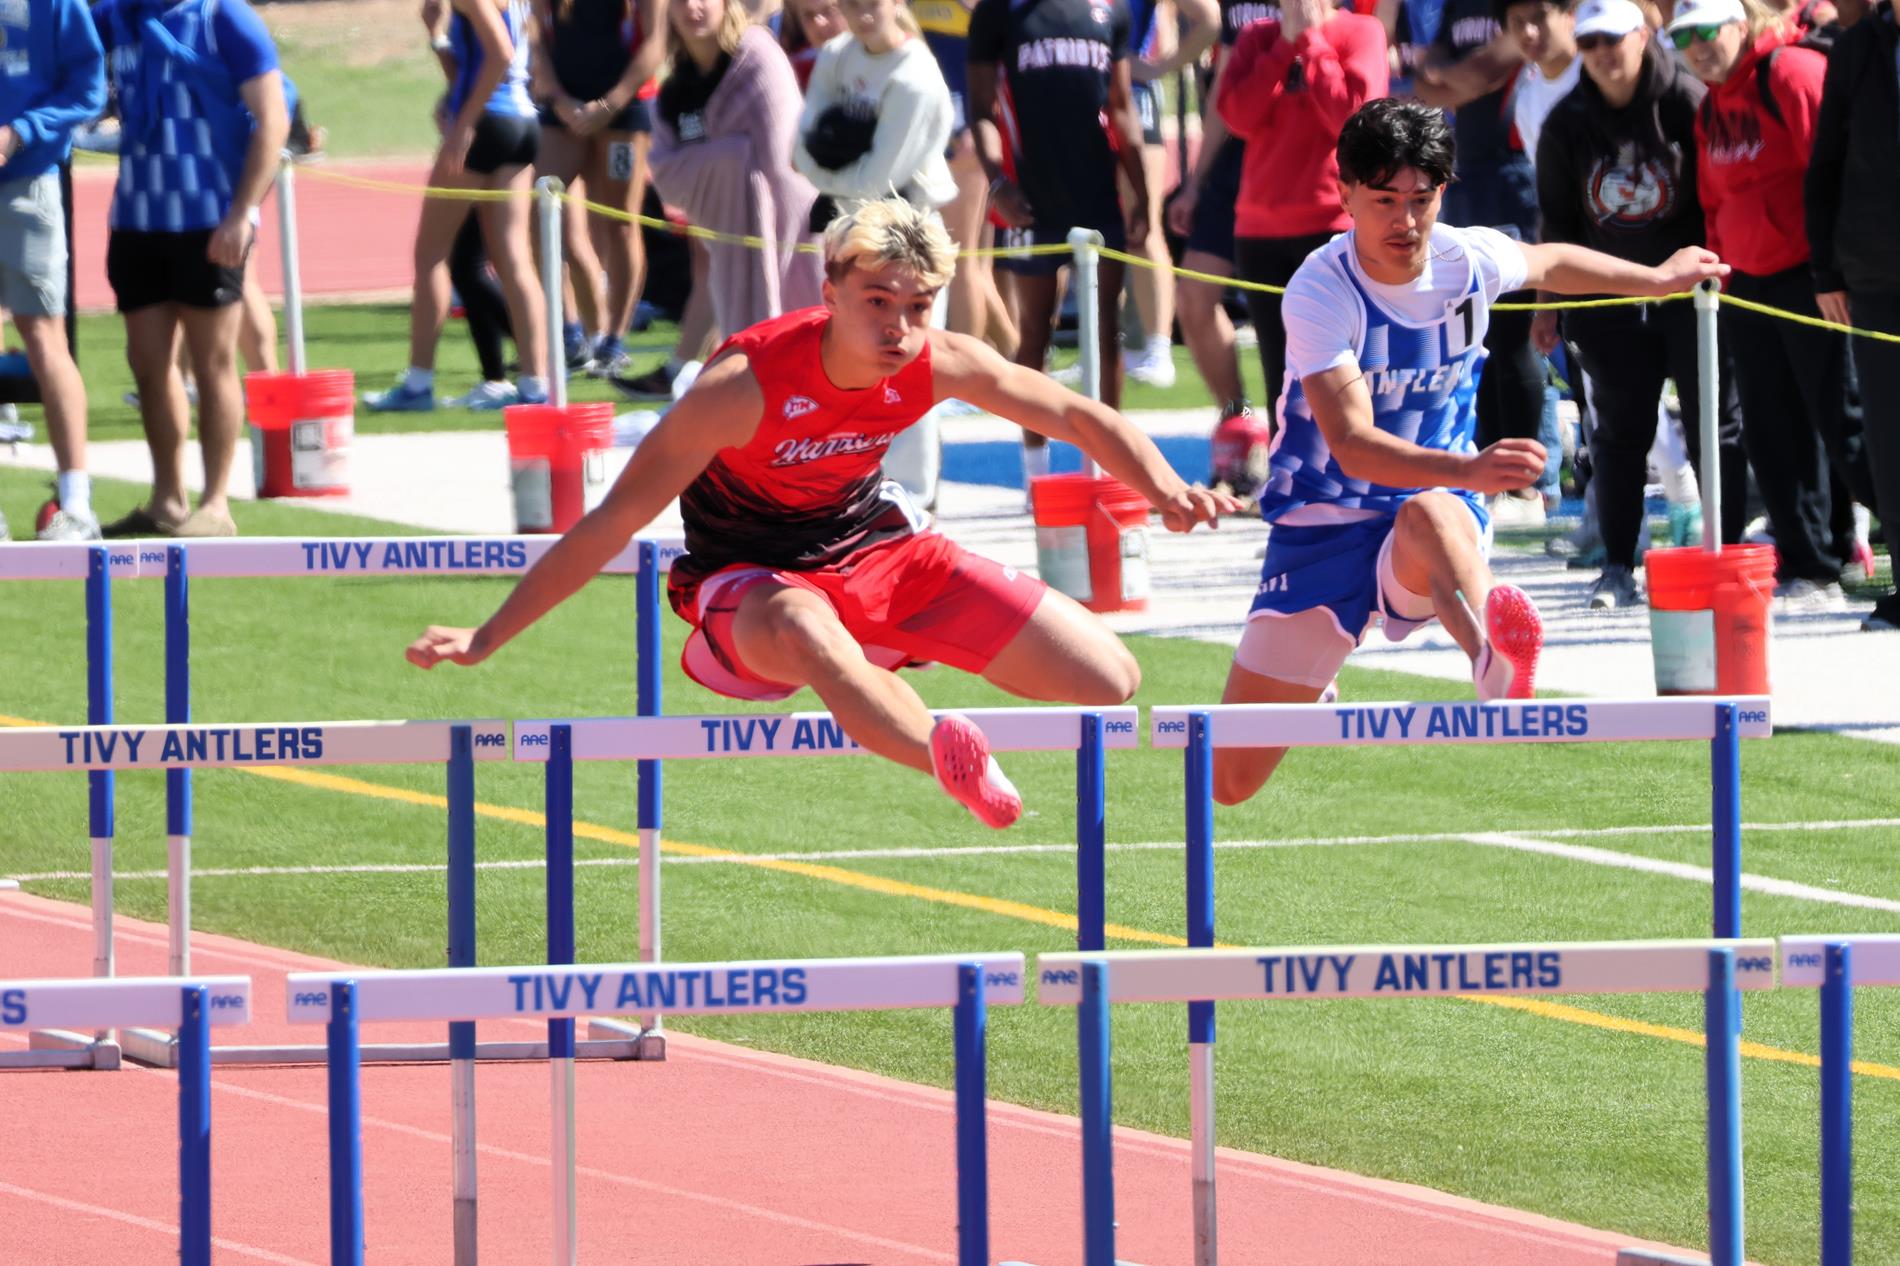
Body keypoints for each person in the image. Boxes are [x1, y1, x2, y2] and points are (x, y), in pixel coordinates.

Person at [409, 199, 1242, 826]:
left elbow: (1074, 415)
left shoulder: (939, 361)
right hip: (753, 591)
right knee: (807, 624)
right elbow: (612, 521)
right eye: (877, 301)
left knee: (1110, 678)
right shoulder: (742, 387)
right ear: (832, 289)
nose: (898, 327)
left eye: (917, 308)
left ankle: (887, 666)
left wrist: (1167, 488)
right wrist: (488, 636)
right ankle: (944, 758)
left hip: (873, 550)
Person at [1211, 99, 1728, 805]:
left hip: (1434, 515)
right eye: (1385, 201)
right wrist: (1472, 468)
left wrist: (1658, 276)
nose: (1406, 221)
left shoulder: (1467, 258)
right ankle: (1339, 665)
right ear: (1346, 195)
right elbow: (1355, 445)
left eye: (1422, 200)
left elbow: (1552, 260)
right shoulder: (1320, 292)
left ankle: (1495, 657)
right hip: (1323, 524)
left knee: (1431, 512)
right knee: (1230, 781)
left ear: (1442, 194)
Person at [1534, 0, 1746, 608]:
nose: (1603, 53)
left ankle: (1722, 558)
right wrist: (1548, 305)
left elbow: (1720, 195)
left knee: (1715, 426)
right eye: (1590, 42)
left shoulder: (1686, 99)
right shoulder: (1566, 122)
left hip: (1696, 294)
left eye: (1613, 38)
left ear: (1644, 33)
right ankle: (1620, 567)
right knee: (1622, 433)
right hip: (1609, 296)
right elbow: (1558, 221)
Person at [1682, 0, 1875, 607]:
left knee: (1842, 424)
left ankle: (1870, 537)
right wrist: (1717, 266)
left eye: (1709, 30)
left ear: (1741, 22)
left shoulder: (1790, 72)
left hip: (1811, 278)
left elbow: (1834, 174)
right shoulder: (1712, 103)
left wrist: (1832, 271)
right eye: (1685, 36)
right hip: (1746, 284)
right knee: (1771, 429)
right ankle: (1810, 563)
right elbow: (1714, 199)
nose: (1699, 46)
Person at [93, 0, 289, 539]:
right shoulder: (118, 16)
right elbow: (59, 47)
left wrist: (243, 213)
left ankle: (216, 502)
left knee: (214, 365)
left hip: (209, 221)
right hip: (137, 218)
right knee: (150, 370)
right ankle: (167, 499)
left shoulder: (223, 18)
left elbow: (273, 116)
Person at [969, 0, 1150, 494]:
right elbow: (980, 109)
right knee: (1035, 332)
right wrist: (998, 182)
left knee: (1105, 327)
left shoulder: (1108, 12)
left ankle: (1112, 465)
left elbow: (1121, 106)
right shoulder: (999, 12)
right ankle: (1036, 472)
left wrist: (1142, 193)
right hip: (1031, 197)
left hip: (1098, 194)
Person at [794, 0, 957, 507]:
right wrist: (830, 169)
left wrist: (830, 166)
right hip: (853, 227)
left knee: (907, 360)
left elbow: (876, 179)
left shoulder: (915, 77)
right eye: (852, 3)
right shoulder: (838, 54)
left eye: (873, 2)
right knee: (847, 356)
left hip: (909, 230)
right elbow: (798, 150)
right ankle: (852, 478)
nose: (863, 12)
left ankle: (912, 492)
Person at [368, 0, 549, 415]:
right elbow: (483, 64)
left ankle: (418, 382)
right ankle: (536, 383)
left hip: (489, 122)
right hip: (523, 121)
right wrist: (437, 37)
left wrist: (463, 124)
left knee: (432, 254)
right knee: (514, 258)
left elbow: (500, 54)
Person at [1414, 0, 1550, 528]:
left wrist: (1452, 75)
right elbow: (1432, 80)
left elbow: (1474, 74)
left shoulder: (1524, 7)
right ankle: (1493, 474)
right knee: (1478, 330)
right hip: (1470, 169)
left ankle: (1527, 484)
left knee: (1516, 332)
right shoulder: (1456, 7)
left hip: (1518, 175)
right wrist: (1451, 76)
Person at [1216, 0, 1388, 417]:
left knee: (1351, 370)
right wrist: (1283, 46)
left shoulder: (1362, 32)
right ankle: (1288, 477)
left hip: (1334, 224)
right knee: (1282, 376)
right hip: (1260, 232)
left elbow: (1354, 119)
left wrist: (1311, 41)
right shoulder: (1256, 36)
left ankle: (1361, 472)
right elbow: (1236, 116)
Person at [647, 0, 823, 339]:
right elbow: (666, 178)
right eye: (680, 1)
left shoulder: (758, 58)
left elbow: (779, 160)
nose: (692, 8)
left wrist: (712, 159)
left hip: (797, 230)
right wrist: (734, 153)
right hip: (729, 243)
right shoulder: (675, 89)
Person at [1806, 0, 1900, 630]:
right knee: (1891, 439)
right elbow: (1827, 163)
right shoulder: (1857, 46)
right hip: (1876, 271)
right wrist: (1827, 271)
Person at [0, 0, 105, 543]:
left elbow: (89, 87)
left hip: (29, 182)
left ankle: (77, 504)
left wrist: (19, 131)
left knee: (44, 338)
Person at [533, 0, 667, 379]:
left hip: (623, 111)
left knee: (621, 224)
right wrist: (559, 99)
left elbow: (655, 44)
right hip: (565, 107)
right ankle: (570, 333)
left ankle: (613, 341)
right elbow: (536, 37)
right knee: (540, 212)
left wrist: (609, 105)